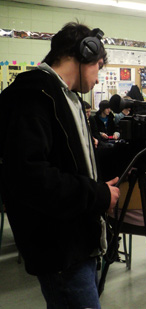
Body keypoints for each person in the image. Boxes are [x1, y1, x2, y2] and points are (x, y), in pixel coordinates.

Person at [0, 22, 119, 308]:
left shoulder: (67, 99)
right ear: (83, 53)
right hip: (60, 250)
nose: (99, 78)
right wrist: (99, 195)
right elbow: (33, 178)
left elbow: (72, 163)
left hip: (78, 243)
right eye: (99, 66)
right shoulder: (31, 97)